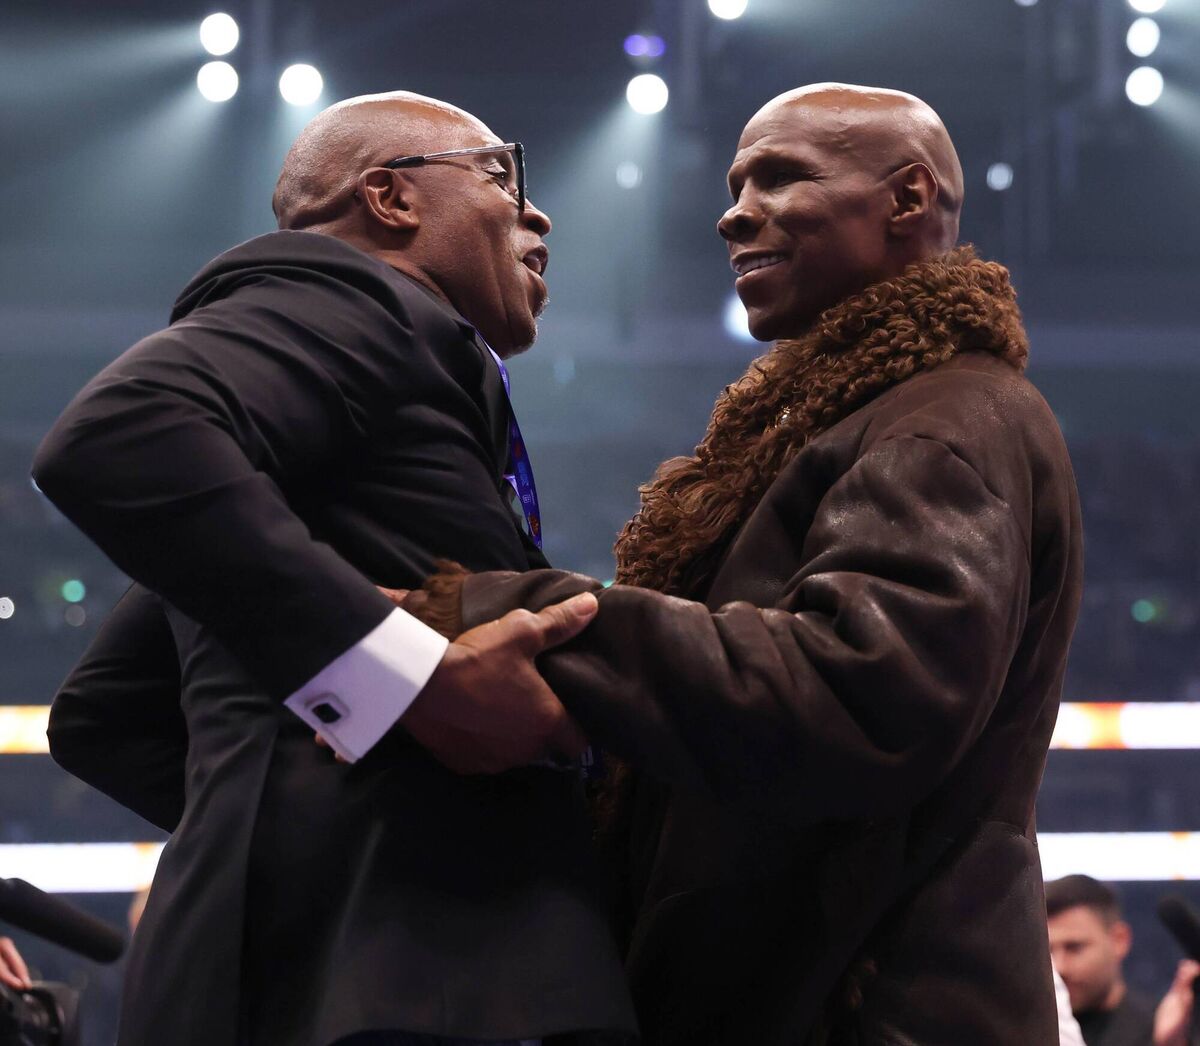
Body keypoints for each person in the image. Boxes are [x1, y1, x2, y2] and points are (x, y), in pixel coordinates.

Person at [406, 83, 1085, 1043]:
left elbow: (862, 695)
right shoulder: (868, 419)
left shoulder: (944, 423)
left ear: (907, 200)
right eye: (734, 183)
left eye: (781, 177)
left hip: (870, 1005)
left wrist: (522, 615)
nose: (733, 212)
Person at [34, 92, 635, 1046]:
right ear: (391, 200)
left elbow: (104, 714)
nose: (537, 211)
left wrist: (321, 809)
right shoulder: (353, 299)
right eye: (499, 173)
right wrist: (404, 682)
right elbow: (120, 435)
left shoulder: (335, 454)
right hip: (392, 986)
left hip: (316, 973)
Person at [1047, 875, 1200, 1046]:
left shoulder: (1166, 1030)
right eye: (1048, 952)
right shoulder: (1032, 1032)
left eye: (1074, 948)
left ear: (1119, 940)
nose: (1059, 967)